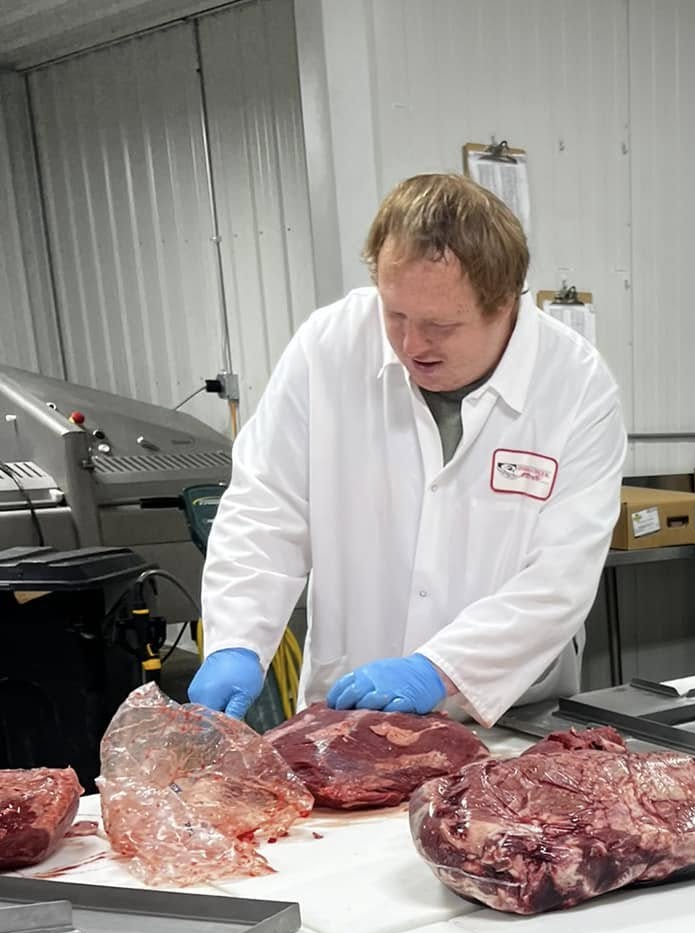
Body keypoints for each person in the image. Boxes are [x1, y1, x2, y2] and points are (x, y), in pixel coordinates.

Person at [189, 173, 626, 725]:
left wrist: (440, 669)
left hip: (505, 714)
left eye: (441, 325)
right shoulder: (331, 346)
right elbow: (266, 505)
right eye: (394, 314)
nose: (411, 344)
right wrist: (236, 639)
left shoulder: (575, 386)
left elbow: (560, 575)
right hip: (348, 709)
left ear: (505, 307)